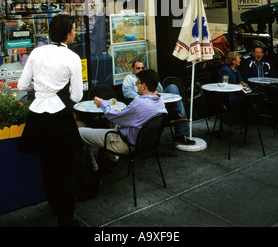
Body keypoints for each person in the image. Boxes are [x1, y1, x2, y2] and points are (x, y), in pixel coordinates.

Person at [17, 14, 83, 227]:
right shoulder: (72, 57)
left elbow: (22, 85)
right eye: (74, 28)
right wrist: (57, 91)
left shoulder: (37, 52)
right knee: (66, 168)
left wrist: (43, 89)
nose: (75, 32)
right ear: (66, 32)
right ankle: (65, 220)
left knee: (47, 165)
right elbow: (77, 97)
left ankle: (55, 206)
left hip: (37, 117)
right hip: (60, 117)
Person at [76, 69, 168, 174]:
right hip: (142, 145)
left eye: (137, 83)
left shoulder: (139, 103)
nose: (136, 86)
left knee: (79, 133)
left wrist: (103, 104)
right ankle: (112, 161)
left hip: (124, 144)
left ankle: (94, 170)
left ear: (144, 86)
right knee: (112, 125)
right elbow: (135, 115)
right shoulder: (160, 101)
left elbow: (113, 117)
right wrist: (121, 111)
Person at [122, 60, 194, 149]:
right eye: (138, 68)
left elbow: (160, 89)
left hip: (158, 100)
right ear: (132, 69)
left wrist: (152, 78)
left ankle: (176, 114)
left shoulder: (146, 76)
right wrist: (143, 98)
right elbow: (127, 92)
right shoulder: (129, 78)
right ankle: (180, 133)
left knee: (173, 87)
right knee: (178, 102)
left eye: (143, 68)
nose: (141, 70)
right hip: (146, 105)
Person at [242, 45, 278, 115]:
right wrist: (258, 82)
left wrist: (269, 82)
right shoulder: (248, 62)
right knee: (260, 92)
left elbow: (272, 75)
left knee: (276, 90)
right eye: (256, 52)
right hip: (254, 85)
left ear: (263, 54)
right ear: (253, 53)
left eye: (260, 52)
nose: (258, 54)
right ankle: (260, 113)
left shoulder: (267, 63)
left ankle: (277, 112)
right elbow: (246, 76)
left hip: (267, 85)